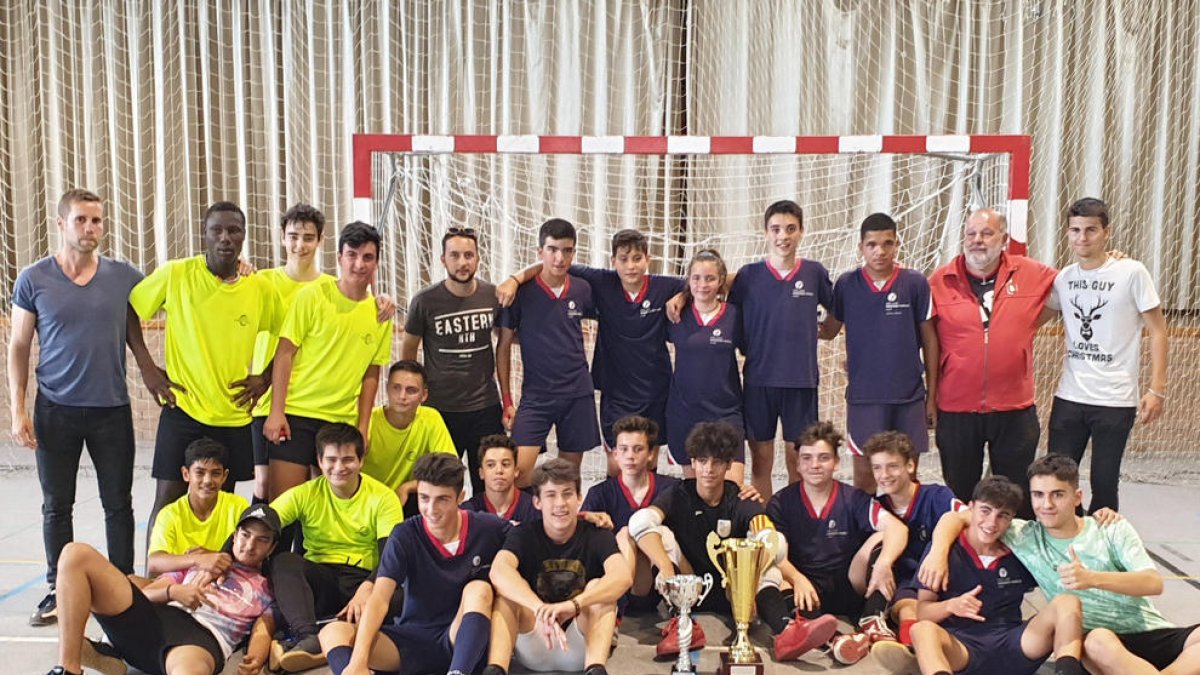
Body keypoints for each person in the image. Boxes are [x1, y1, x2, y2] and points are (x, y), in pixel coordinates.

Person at [920, 455, 1200, 675]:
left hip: (1152, 630)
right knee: (1097, 642)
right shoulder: (1023, 534)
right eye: (1038, 495)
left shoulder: (1109, 527)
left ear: (1077, 497)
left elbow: (1153, 583)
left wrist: (1091, 579)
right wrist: (938, 550)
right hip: (1101, 643)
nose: (1046, 505)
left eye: (1057, 494)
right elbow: (962, 517)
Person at [7, 189, 147, 625]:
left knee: (118, 504)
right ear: (61, 223)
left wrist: (241, 270)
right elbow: (18, 346)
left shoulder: (124, 276)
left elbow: (174, 294)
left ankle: (123, 585)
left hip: (111, 409)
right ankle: (57, 587)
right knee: (56, 505)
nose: (90, 229)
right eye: (82, 220)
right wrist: (18, 409)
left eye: (97, 221)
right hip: (56, 411)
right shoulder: (34, 278)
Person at [129, 201, 283, 569]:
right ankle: (154, 582)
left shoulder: (258, 287)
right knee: (167, 497)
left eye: (234, 231)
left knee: (220, 504)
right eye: (217, 230)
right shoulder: (177, 274)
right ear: (204, 234)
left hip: (232, 416)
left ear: (244, 237)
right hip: (182, 409)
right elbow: (131, 310)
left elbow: (289, 336)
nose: (226, 238)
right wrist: (149, 369)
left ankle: (215, 582)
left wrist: (264, 376)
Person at [499, 229, 684, 472]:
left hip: (656, 391)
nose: (631, 266)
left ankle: (646, 510)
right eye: (624, 259)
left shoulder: (665, 287)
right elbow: (552, 265)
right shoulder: (600, 282)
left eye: (637, 258)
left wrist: (682, 295)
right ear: (613, 261)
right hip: (615, 392)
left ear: (648, 259)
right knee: (619, 468)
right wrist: (514, 279)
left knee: (647, 466)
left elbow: (701, 281)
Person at [249, 204, 395, 505]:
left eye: (367, 257)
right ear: (339, 257)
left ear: (377, 263)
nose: (358, 264)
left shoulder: (380, 314)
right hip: (295, 414)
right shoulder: (312, 296)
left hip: (338, 421)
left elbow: (372, 373)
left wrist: (363, 427)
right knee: (282, 507)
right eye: (352, 255)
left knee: (324, 510)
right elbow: (285, 353)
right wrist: (277, 412)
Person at [319, 452, 509, 675]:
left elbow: (527, 541)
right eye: (424, 498)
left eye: (442, 499)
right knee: (332, 632)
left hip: (459, 639)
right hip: (411, 639)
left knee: (479, 588)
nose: (431, 509)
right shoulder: (405, 534)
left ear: (461, 498)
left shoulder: (488, 527)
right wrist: (358, 662)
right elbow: (379, 598)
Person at [1041, 198, 1169, 513]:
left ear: (1105, 232)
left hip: (1115, 399)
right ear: (1067, 233)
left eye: (1091, 230)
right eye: (1075, 230)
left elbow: (1159, 331)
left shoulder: (1131, 272)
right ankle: (1067, 543)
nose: (1082, 238)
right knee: (1056, 479)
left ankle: (1103, 550)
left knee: (1104, 480)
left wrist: (1157, 389)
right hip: (1070, 396)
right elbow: (1031, 320)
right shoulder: (1064, 278)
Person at [46, 504, 281, 675]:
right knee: (74, 554)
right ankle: (68, 669)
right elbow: (146, 594)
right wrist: (173, 592)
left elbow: (264, 628)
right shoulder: (202, 560)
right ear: (235, 535)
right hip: (156, 618)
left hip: (201, 639)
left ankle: (109, 655)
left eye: (261, 540)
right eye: (245, 535)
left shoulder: (268, 587)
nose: (249, 545)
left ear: (272, 547)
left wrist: (255, 659)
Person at [928, 208, 1056, 516]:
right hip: (957, 409)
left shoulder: (1032, 273)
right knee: (960, 494)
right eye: (971, 234)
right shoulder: (938, 281)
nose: (977, 241)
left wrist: (1108, 260)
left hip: (1014, 408)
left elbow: (1076, 279)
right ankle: (965, 556)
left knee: (1015, 496)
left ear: (1003, 238)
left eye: (986, 234)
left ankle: (1013, 557)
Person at [629, 422, 794, 659]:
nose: (709, 469)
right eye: (703, 461)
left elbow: (770, 538)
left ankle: (786, 631)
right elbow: (640, 523)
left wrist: (748, 581)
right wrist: (665, 567)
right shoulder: (678, 494)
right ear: (693, 462)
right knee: (659, 533)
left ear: (728, 465)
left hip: (732, 593)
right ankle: (682, 624)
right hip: (690, 587)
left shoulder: (740, 498)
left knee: (772, 547)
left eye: (717, 462)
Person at [896, 476, 1086, 675]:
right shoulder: (943, 552)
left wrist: (1099, 522)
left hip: (1014, 644)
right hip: (963, 648)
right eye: (985, 511)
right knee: (921, 630)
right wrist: (951, 606)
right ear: (970, 509)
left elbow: (1061, 530)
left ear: (1011, 520)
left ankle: (1067, 671)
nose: (991, 522)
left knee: (1068, 602)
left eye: (1002, 515)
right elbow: (923, 613)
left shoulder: (1019, 551)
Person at [765, 421, 908, 665]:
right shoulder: (781, 502)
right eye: (807, 458)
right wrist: (798, 578)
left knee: (884, 536)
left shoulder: (854, 498)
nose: (815, 465)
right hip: (806, 591)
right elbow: (775, 554)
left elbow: (898, 528)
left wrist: (884, 563)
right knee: (770, 569)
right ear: (797, 464)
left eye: (823, 458)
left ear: (836, 463)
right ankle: (831, 638)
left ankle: (871, 620)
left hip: (851, 585)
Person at [268, 423, 405, 672]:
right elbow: (260, 521)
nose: (339, 467)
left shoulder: (384, 497)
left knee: (403, 593)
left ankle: (323, 640)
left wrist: (367, 590)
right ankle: (309, 637)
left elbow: (391, 558)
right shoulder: (305, 493)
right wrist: (220, 559)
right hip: (321, 580)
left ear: (361, 460)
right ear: (320, 461)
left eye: (348, 459)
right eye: (331, 459)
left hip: (364, 582)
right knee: (284, 562)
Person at [821, 212, 938, 493]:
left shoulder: (915, 283)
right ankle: (869, 536)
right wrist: (788, 316)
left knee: (907, 481)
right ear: (861, 247)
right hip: (865, 400)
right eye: (872, 244)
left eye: (887, 243)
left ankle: (908, 535)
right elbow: (827, 330)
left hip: (908, 398)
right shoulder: (847, 284)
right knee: (864, 481)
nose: (880, 251)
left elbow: (931, 341)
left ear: (897, 244)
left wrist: (932, 397)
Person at [482, 458, 630, 675]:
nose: (560, 503)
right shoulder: (524, 534)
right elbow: (499, 571)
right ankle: (495, 669)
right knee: (507, 594)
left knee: (600, 589)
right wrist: (538, 608)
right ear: (537, 502)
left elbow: (622, 576)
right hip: (535, 639)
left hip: (581, 645)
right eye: (551, 495)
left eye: (567, 493)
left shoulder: (597, 534)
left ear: (579, 498)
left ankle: (596, 670)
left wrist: (574, 605)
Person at [728, 200, 833, 497]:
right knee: (761, 462)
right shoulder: (748, 276)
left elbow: (837, 310)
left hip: (801, 382)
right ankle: (765, 528)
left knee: (797, 460)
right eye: (776, 229)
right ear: (765, 233)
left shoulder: (814, 273)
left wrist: (826, 331)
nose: (782, 236)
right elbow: (723, 304)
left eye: (790, 229)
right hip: (759, 381)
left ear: (801, 232)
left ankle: (793, 523)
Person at [495, 218, 599, 485]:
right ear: (540, 251)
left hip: (577, 392)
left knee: (568, 477)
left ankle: (560, 525)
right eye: (552, 249)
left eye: (567, 250)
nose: (559, 257)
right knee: (517, 475)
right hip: (536, 396)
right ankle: (531, 520)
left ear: (574, 253)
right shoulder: (518, 293)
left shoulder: (583, 288)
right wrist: (507, 399)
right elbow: (503, 346)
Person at [400, 226, 503, 495]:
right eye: (455, 255)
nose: (462, 262)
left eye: (469, 255)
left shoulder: (492, 296)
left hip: (485, 407)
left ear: (478, 258)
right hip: (441, 410)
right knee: (442, 485)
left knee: (490, 485)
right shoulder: (425, 301)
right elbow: (408, 351)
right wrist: (412, 397)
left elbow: (509, 338)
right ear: (443, 259)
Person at [859, 431, 965, 660]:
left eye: (892, 466)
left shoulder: (937, 496)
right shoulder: (876, 507)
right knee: (907, 606)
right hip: (903, 584)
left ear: (909, 465)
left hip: (944, 576)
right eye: (877, 468)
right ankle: (910, 649)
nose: (884, 475)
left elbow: (968, 517)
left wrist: (939, 549)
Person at [581, 415, 679, 612]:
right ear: (615, 454)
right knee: (625, 533)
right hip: (615, 586)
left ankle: (679, 612)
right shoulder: (599, 493)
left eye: (638, 449)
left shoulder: (671, 488)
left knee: (638, 529)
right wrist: (589, 520)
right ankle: (615, 610)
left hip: (659, 584)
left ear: (651, 454)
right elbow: (581, 544)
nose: (630, 456)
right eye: (623, 449)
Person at [666, 249, 746, 483]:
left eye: (710, 278)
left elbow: (752, 352)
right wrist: (680, 296)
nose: (703, 284)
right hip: (685, 413)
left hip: (726, 412)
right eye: (696, 278)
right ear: (688, 280)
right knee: (696, 495)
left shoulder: (735, 315)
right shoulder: (674, 315)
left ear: (721, 281)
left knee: (731, 489)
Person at [361, 360, 456, 516]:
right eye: (396, 388)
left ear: (424, 395)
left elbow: (449, 469)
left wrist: (408, 487)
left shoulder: (431, 418)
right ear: (387, 389)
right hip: (370, 501)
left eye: (411, 390)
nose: (402, 396)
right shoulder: (368, 422)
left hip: (407, 501)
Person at [147, 438, 249, 577]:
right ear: (186, 474)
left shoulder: (238, 506)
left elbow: (251, 557)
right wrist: (197, 560)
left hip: (225, 581)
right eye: (200, 473)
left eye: (216, 473)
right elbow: (154, 562)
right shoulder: (170, 514)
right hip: (182, 584)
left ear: (224, 476)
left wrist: (212, 557)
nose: (208, 480)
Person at [460, 434, 539, 524]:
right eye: (491, 465)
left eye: (505, 464)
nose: (499, 470)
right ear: (481, 473)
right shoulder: (468, 513)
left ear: (516, 471)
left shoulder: (535, 510)